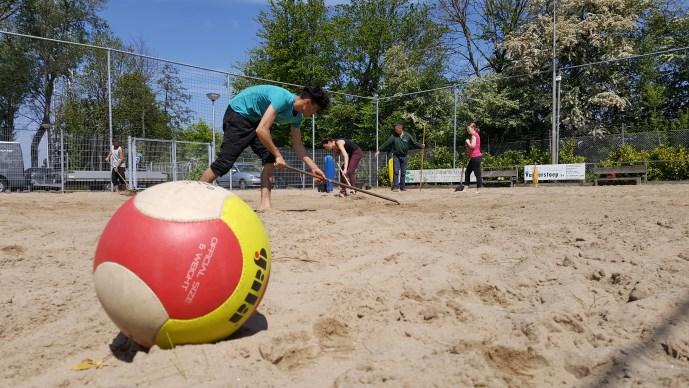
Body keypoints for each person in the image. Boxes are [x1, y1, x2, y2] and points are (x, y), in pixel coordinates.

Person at [200, 85, 330, 210]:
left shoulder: (298, 117)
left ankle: (265, 205)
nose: (314, 114)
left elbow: (297, 144)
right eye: (315, 110)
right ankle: (195, 196)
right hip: (239, 113)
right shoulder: (283, 98)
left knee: (269, 158)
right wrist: (279, 155)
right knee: (225, 162)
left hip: (256, 120)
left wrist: (314, 168)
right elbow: (262, 130)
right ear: (308, 102)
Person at [375, 124, 424, 191]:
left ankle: (402, 187)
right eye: (395, 130)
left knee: (403, 172)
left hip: (404, 156)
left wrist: (421, 146)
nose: (395, 131)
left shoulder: (407, 136)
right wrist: (379, 150)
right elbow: (387, 143)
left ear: (400, 129)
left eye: (396, 130)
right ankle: (395, 187)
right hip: (396, 156)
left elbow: (414, 143)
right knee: (396, 171)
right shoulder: (393, 136)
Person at [455, 122, 482, 192]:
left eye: (469, 129)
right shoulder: (476, 135)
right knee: (467, 172)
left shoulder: (473, 135)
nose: (468, 131)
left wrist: (467, 142)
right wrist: (468, 146)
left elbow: (472, 146)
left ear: (473, 128)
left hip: (475, 157)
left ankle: (478, 189)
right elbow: (473, 147)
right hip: (474, 157)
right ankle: (466, 187)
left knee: (477, 173)